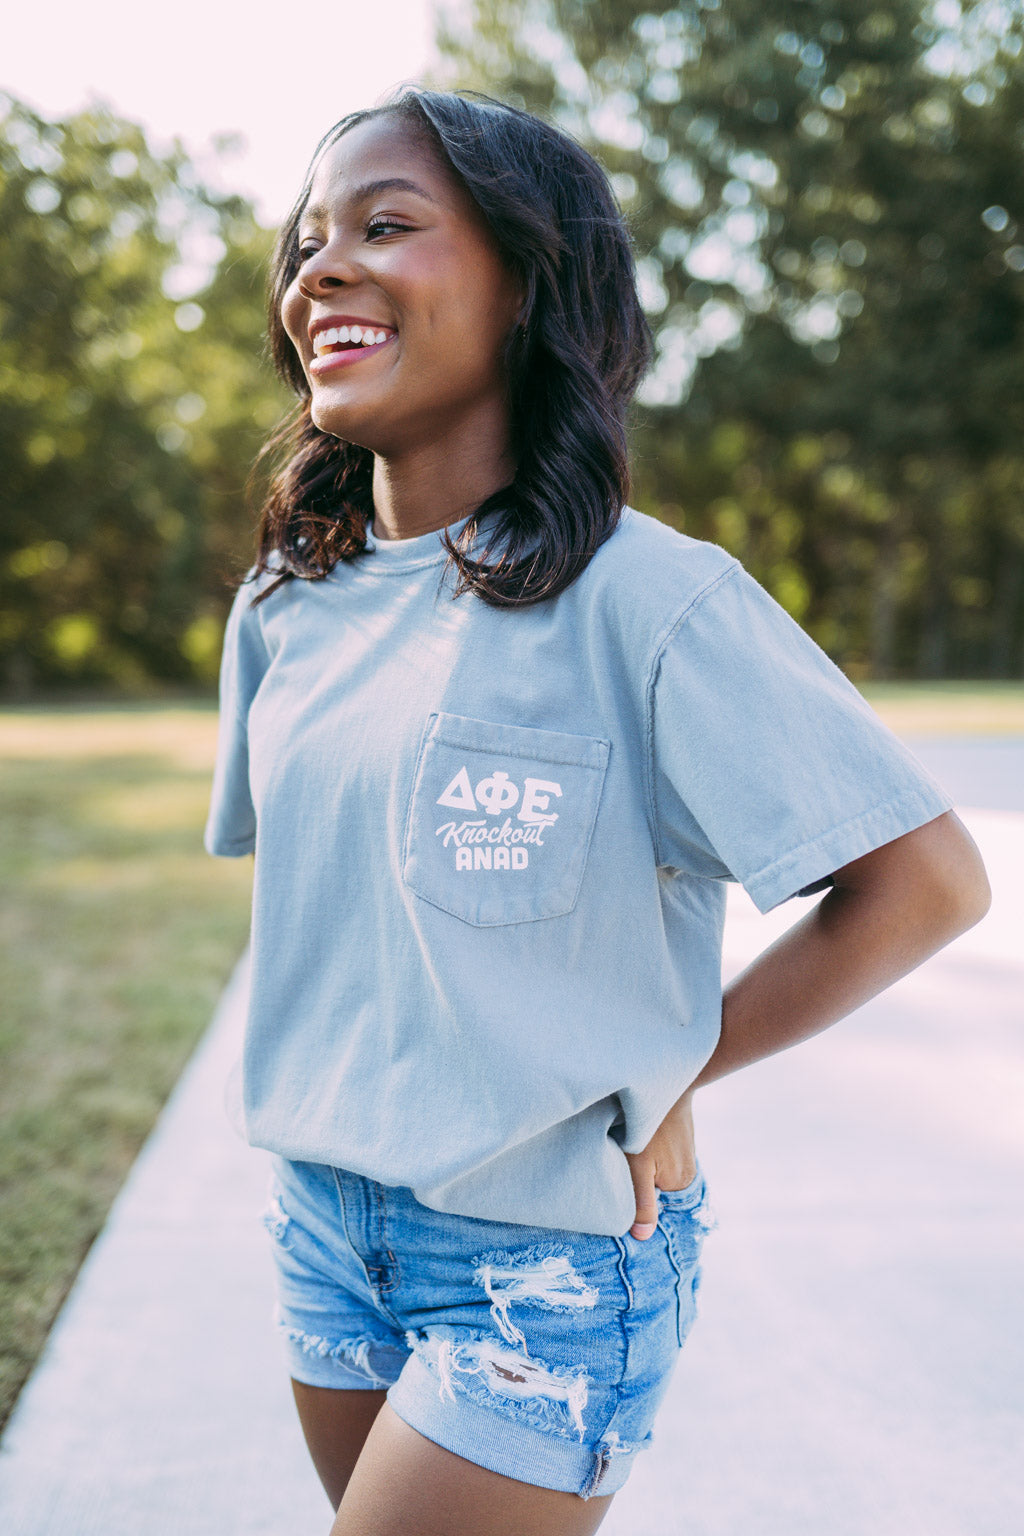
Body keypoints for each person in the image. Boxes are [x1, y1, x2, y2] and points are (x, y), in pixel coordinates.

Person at [204, 86, 991, 1536]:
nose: (320, 271)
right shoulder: (284, 606)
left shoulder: (652, 600)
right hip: (325, 1229)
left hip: (547, 1265)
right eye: (307, 242)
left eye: (386, 226)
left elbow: (928, 883)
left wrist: (684, 1066)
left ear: (527, 282)